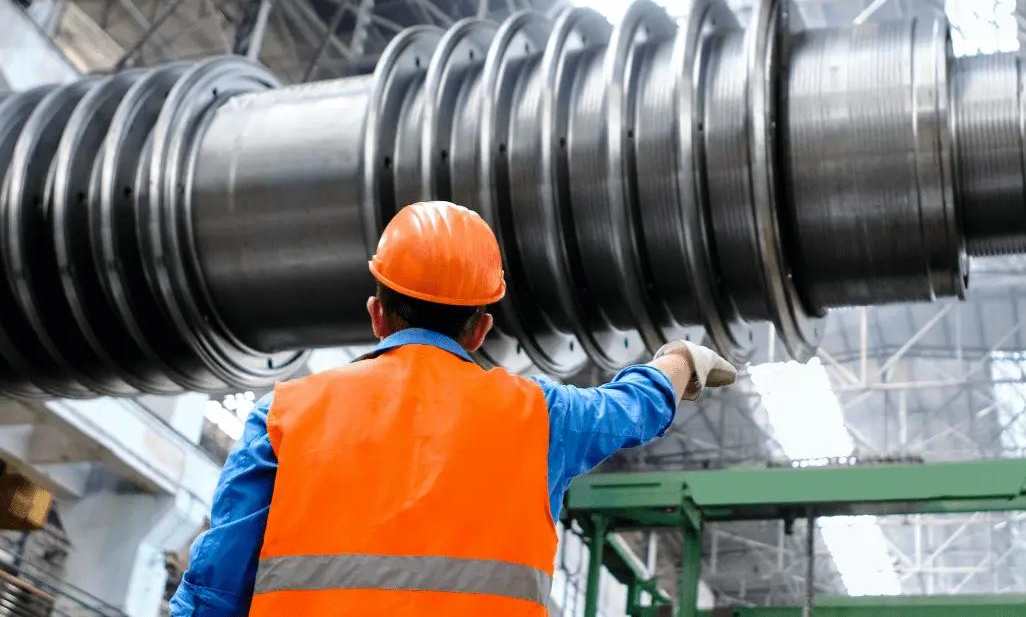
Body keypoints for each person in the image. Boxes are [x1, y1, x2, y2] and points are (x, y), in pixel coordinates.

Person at [169, 200, 736, 616]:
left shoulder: (285, 414)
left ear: (377, 314)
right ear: (481, 328)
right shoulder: (542, 417)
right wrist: (679, 361)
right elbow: (631, 408)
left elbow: (216, 587)